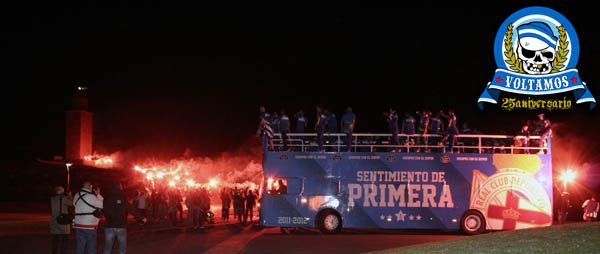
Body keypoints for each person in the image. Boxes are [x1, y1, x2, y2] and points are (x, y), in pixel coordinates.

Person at [103, 182, 146, 254]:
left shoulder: (106, 197)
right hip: (120, 226)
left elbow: (104, 210)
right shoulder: (122, 196)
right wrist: (141, 217)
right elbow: (130, 208)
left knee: (108, 248)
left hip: (109, 225)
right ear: (120, 187)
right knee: (122, 249)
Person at [73, 181, 103, 254]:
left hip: (78, 224)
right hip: (89, 225)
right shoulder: (91, 196)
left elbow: (74, 204)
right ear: (90, 187)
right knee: (91, 247)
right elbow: (103, 205)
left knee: (80, 246)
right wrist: (98, 194)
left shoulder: (76, 195)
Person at [50, 186, 73, 254]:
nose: (64, 192)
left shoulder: (52, 198)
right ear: (60, 191)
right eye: (63, 191)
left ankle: (54, 252)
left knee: (55, 240)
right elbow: (72, 203)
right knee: (65, 239)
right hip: (63, 221)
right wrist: (69, 195)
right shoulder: (63, 198)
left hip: (54, 221)